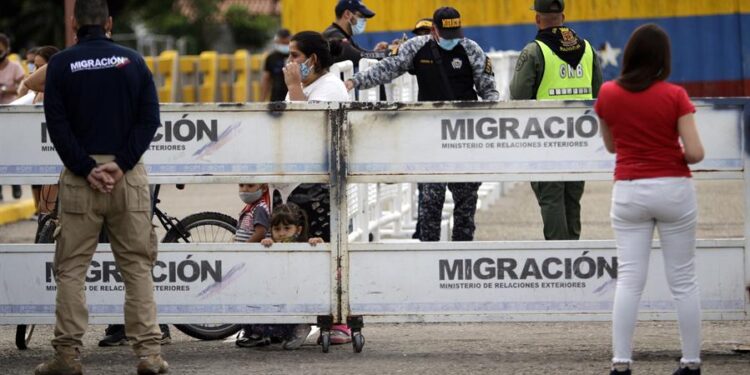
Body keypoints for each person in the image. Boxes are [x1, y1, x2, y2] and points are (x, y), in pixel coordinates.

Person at [36, 0, 168, 374]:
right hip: (128, 178)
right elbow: (149, 118)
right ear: (109, 22)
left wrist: (86, 168)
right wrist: (121, 164)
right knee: (138, 268)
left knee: (72, 270)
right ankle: (149, 356)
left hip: (81, 180)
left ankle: (67, 356)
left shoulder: (60, 64)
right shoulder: (132, 61)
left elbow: (57, 125)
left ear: (75, 23)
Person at [594, 24, 704, 375]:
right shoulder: (676, 96)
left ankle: (622, 363)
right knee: (683, 282)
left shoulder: (608, 94)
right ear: (662, 59)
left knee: (629, 280)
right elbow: (697, 153)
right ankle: (690, 362)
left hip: (629, 189)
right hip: (673, 189)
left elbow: (612, 146)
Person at [345, 6, 499, 242]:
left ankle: (461, 257)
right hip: (430, 139)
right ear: (434, 29)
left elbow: (489, 94)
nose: (451, 40)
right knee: (430, 201)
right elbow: (388, 69)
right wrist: (356, 81)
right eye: (446, 35)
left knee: (466, 204)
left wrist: (488, 135)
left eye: (455, 35)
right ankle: (428, 257)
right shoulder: (417, 47)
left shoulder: (471, 50)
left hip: (465, 139)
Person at [280, 30, 353, 344]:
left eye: (295, 56)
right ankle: (300, 318)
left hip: (322, 187)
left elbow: (308, 129)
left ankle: (340, 321)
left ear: (312, 59)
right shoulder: (300, 88)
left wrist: (295, 87)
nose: (290, 62)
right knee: (295, 253)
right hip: (296, 186)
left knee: (326, 250)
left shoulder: (331, 87)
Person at [509, 0, 603, 241]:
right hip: (580, 138)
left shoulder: (534, 51)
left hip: (545, 138)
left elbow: (519, 95)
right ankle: (572, 253)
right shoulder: (588, 49)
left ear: (537, 19)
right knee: (572, 196)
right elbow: (598, 92)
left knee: (550, 197)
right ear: (563, 16)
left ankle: (560, 257)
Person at [235, 202, 320, 350]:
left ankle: (300, 328)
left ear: (298, 230)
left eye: (287, 229)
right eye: (277, 229)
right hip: (275, 290)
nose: (281, 233)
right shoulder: (271, 244)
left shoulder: (304, 244)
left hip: (298, 292)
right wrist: (266, 245)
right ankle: (259, 334)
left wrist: (316, 242)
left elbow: (319, 254)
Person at [231, 183, 275, 347]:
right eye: (241, 185)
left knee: (255, 295)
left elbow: (260, 232)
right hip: (249, 260)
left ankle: (259, 334)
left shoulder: (260, 208)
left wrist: (245, 245)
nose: (244, 190)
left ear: (263, 188)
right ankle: (252, 331)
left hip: (255, 260)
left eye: (250, 186)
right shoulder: (250, 207)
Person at [322, 0, 389, 65]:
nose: (364, 21)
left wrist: (376, 52)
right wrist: (388, 53)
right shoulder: (333, 36)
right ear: (347, 14)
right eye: (361, 16)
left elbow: (361, 53)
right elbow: (357, 56)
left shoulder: (343, 35)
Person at [0, 33, 25, 202]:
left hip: (11, 114)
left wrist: (3, 90)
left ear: (7, 49)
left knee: (12, 149)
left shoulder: (15, 67)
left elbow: (22, 87)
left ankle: (15, 182)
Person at [261, 29, 292, 102]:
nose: (284, 46)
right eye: (282, 43)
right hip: (276, 97)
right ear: (277, 42)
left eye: (286, 43)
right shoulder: (271, 58)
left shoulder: (296, 56)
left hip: (292, 97)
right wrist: (262, 99)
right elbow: (266, 79)